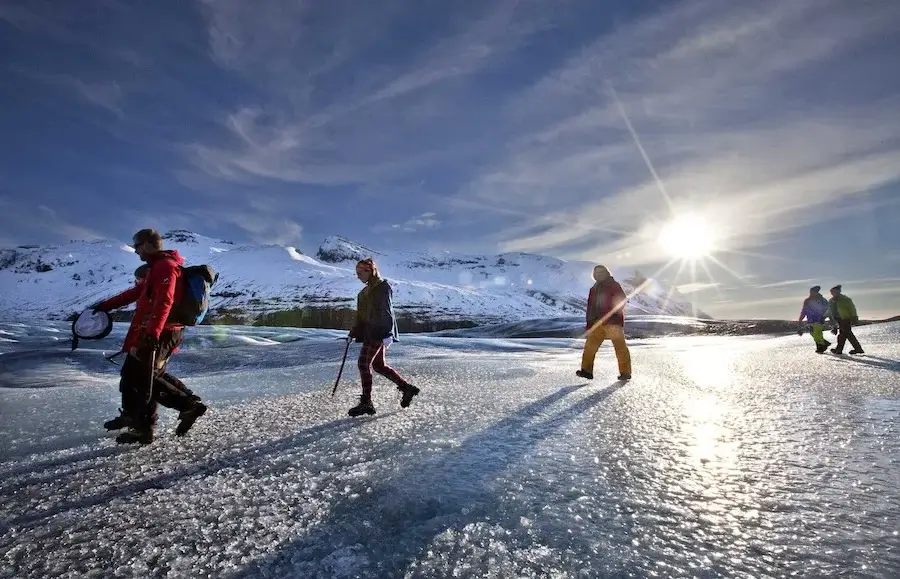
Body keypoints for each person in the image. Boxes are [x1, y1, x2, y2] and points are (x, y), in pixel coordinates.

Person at [93, 229, 207, 444]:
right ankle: (142, 421)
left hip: (162, 333)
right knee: (137, 375)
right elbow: (134, 294)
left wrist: (153, 332)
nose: (136, 251)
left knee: (144, 378)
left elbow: (165, 301)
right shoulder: (156, 268)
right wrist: (103, 306)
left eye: (136, 246)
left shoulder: (165, 267)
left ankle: (184, 408)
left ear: (146, 244)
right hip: (156, 331)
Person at [346, 258, 419, 417]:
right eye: (356, 273)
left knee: (363, 364)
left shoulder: (382, 288)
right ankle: (407, 388)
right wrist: (353, 333)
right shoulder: (363, 293)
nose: (358, 276)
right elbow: (361, 317)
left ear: (369, 271)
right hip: (370, 333)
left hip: (377, 332)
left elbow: (386, 312)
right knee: (378, 366)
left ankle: (367, 402)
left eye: (360, 273)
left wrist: (387, 333)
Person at [577, 264, 632, 381]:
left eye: (601, 272)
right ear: (594, 275)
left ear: (607, 273)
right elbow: (590, 307)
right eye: (597, 273)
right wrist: (589, 324)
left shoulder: (613, 285)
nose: (599, 274)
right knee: (589, 347)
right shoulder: (593, 289)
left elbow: (621, 300)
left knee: (620, 348)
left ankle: (625, 373)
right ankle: (586, 371)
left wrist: (613, 314)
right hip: (596, 323)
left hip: (613, 322)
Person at [827, 285, 864, 355]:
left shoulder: (845, 299)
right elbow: (829, 311)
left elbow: (852, 308)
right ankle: (843, 349)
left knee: (845, 334)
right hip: (838, 320)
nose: (833, 293)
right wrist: (825, 317)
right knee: (845, 334)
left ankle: (842, 349)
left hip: (845, 319)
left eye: (834, 291)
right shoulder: (831, 301)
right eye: (832, 292)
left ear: (839, 291)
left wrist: (854, 317)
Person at [797, 285, 832, 354]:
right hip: (810, 320)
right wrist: (801, 318)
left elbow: (828, 309)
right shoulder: (807, 301)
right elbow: (804, 310)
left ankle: (821, 348)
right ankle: (825, 343)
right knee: (813, 333)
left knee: (817, 334)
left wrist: (824, 317)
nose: (811, 293)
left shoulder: (822, 300)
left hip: (819, 319)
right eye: (811, 292)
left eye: (813, 292)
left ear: (816, 292)